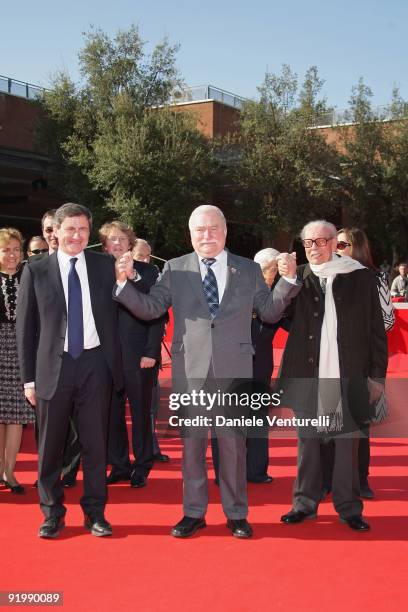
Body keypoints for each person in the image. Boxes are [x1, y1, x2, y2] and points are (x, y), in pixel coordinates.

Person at [114, 204, 300, 539]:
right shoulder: (175, 268)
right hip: (191, 370)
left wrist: (287, 281)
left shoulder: (247, 269)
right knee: (192, 447)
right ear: (190, 234)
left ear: (225, 231)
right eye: (199, 230)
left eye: (213, 228)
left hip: (236, 369)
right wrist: (124, 286)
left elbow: (270, 313)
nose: (206, 235)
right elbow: (152, 308)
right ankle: (193, 513)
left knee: (233, 447)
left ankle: (236, 514)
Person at [16, 203, 123, 539]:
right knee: (50, 446)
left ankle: (95, 513)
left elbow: (124, 305)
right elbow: (25, 328)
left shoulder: (105, 266)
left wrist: (129, 278)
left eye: (83, 230)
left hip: (95, 365)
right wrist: (28, 379)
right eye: (71, 229)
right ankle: (52, 513)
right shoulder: (36, 270)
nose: (77, 236)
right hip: (53, 366)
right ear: (56, 232)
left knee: (95, 444)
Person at [279, 220, 387, 531]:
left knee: (346, 446)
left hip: (349, 373)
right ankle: (304, 504)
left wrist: (376, 378)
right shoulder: (298, 277)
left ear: (334, 243)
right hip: (306, 373)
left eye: (321, 241)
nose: (314, 248)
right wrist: (282, 280)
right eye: (308, 243)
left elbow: (375, 332)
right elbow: (278, 314)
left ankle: (350, 508)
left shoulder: (361, 277)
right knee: (308, 445)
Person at [318, 226, 394, 500]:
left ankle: (360, 480)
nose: (334, 250)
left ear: (356, 248)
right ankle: (327, 479)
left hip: (359, 362)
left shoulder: (374, 279)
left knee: (358, 427)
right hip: (327, 361)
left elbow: (387, 321)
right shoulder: (325, 276)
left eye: (341, 245)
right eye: (332, 245)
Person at [100, 222, 165, 488]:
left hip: (140, 356)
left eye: (122, 239)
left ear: (130, 243)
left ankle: (142, 465)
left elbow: (157, 314)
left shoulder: (148, 272)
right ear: (104, 246)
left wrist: (151, 351)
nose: (117, 243)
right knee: (111, 414)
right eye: (112, 240)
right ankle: (119, 465)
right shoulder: (97, 271)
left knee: (140, 414)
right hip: (105, 358)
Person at [0, 228, 35, 495]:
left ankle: (9, 472)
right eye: (6, 249)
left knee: (16, 415)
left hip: (23, 347)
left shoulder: (30, 275)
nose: (11, 255)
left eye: (15, 249)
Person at [132, 238, 169, 463]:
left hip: (150, 351)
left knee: (151, 404)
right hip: (125, 351)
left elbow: (161, 313)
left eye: (149, 255)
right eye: (141, 255)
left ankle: (151, 448)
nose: (146, 260)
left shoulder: (154, 278)